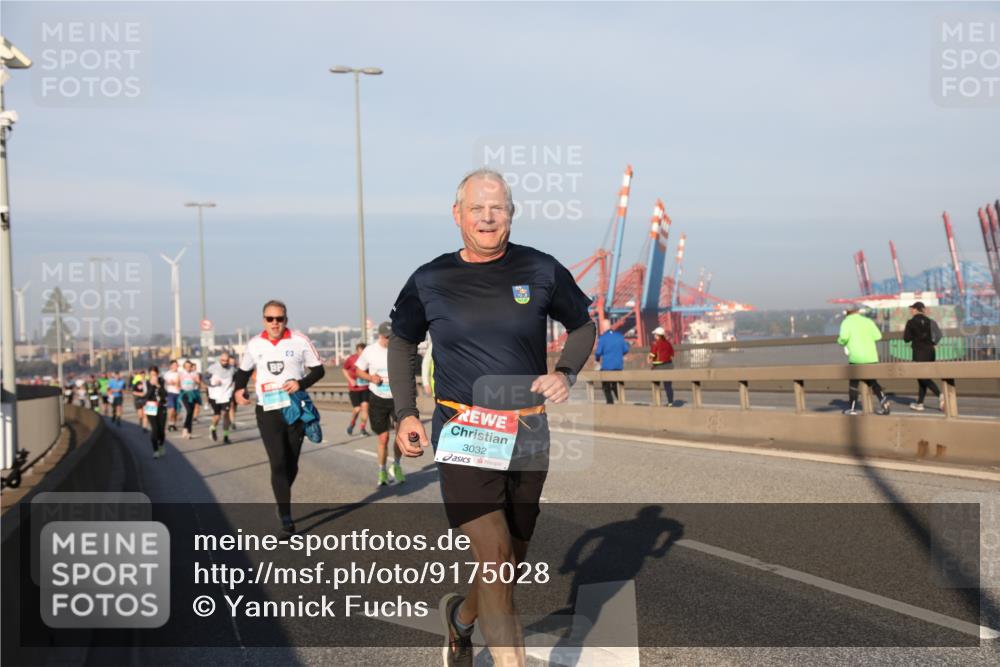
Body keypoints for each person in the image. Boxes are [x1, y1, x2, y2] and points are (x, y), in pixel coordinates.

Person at [387, 169, 595, 667]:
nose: (487, 217)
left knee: (508, 560)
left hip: (526, 430)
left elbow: (582, 325)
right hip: (463, 429)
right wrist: (404, 413)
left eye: (497, 207)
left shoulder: (541, 269)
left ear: (511, 214)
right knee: (497, 552)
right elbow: (402, 342)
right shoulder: (430, 278)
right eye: (476, 208)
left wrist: (565, 372)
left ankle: (461, 619)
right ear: (457, 214)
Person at [234, 299, 325, 535]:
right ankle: (286, 516)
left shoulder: (300, 340)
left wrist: (300, 383)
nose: (275, 323)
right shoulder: (254, 344)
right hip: (268, 410)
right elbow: (243, 372)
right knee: (277, 462)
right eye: (270, 319)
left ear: (286, 319)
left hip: (295, 408)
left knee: (291, 463)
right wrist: (238, 390)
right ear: (263, 320)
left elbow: (319, 370)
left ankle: (280, 497)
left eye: (279, 318)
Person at [356, 323, 404, 486]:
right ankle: (382, 470)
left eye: (392, 337)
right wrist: (371, 378)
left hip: (397, 397)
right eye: (387, 337)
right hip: (378, 397)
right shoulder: (370, 351)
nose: (390, 340)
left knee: (400, 435)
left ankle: (396, 465)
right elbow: (358, 371)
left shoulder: (398, 349)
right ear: (380, 336)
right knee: (383, 437)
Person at [838, 306, 891, 415]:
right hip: (871, 357)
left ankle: (852, 408)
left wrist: (841, 342)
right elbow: (878, 336)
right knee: (872, 381)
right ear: (858, 311)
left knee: (853, 384)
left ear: (847, 312)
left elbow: (843, 337)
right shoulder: (868, 321)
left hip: (856, 358)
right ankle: (884, 401)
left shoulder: (846, 322)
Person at [903, 301, 944, 412]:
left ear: (916, 309)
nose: (911, 310)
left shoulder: (911, 322)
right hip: (930, 352)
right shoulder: (930, 321)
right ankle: (920, 403)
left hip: (919, 352)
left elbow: (906, 339)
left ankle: (940, 395)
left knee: (922, 377)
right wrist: (933, 343)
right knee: (923, 377)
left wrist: (914, 336)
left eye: (912, 308)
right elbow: (939, 335)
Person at [594, 318, 628, 404]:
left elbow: (598, 352)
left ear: (603, 327)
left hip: (607, 367)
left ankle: (610, 404)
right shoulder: (620, 336)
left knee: (606, 387)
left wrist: (597, 360)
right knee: (618, 387)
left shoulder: (603, 338)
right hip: (618, 366)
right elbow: (625, 349)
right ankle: (622, 403)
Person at [341, 343, 371, 436]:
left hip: (365, 387)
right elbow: (344, 369)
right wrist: (350, 380)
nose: (362, 354)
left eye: (364, 352)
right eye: (360, 352)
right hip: (354, 388)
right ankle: (352, 424)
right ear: (357, 351)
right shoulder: (351, 359)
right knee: (357, 409)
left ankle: (362, 428)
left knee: (365, 407)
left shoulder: (369, 359)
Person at [206, 352, 236, 443]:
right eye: (223, 360)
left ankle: (226, 436)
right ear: (220, 360)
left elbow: (237, 378)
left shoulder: (232, 369)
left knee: (226, 414)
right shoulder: (212, 368)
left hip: (226, 395)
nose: (225, 362)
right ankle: (213, 427)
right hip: (215, 395)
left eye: (226, 361)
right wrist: (211, 383)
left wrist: (234, 386)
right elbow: (204, 378)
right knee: (217, 416)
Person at [143, 366, 169, 459]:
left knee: (161, 429)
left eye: (155, 374)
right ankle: (155, 450)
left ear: (158, 374)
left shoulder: (162, 381)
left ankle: (161, 444)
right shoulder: (146, 382)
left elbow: (165, 394)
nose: (153, 376)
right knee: (154, 428)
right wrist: (151, 386)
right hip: (150, 406)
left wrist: (158, 385)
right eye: (151, 375)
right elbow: (146, 396)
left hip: (162, 406)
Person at [648, 326, 675, 406]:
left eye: (655, 334)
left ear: (657, 335)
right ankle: (670, 402)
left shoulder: (655, 343)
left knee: (656, 385)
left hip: (658, 367)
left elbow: (652, 355)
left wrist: (649, 359)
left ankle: (657, 402)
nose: (654, 336)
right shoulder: (668, 343)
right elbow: (672, 354)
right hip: (669, 365)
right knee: (668, 386)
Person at [178, 360, 200, 438]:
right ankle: (184, 428)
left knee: (191, 413)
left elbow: (198, 382)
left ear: (191, 367)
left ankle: (189, 431)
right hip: (184, 394)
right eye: (186, 366)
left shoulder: (194, 373)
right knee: (188, 411)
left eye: (189, 366)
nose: (188, 368)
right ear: (184, 367)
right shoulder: (181, 374)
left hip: (192, 394)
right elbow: (178, 383)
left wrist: (196, 381)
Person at [163, 360, 181, 431]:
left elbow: (180, 382)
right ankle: (170, 423)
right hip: (170, 393)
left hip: (178, 393)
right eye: (174, 365)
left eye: (176, 365)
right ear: (171, 366)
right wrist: (169, 383)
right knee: (172, 409)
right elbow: (165, 383)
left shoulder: (180, 373)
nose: (175, 366)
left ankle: (173, 424)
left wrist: (178, 383)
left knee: (176, 410)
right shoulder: (167, 374)